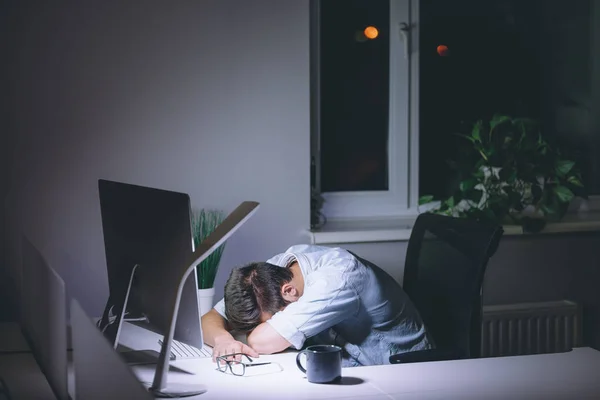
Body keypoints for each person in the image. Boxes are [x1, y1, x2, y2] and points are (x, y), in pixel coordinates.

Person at [201, 244, 432, 367]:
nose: (262, 327)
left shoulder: (338, 281)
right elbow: (210, 318)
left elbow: (260, 341)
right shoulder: (272, 273)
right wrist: (223, 340)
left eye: (269, 321)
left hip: (395, 369)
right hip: (342, 360)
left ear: (289, 292)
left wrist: (254, 334)